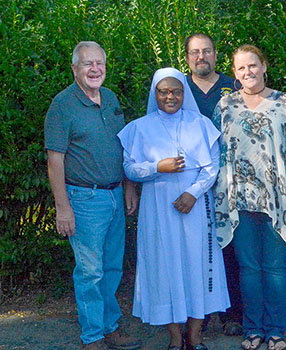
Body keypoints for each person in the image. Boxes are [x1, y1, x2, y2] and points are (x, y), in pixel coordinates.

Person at [117, 68, 230, 350]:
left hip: (194, 207)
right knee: (164, 266)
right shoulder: (139, 127)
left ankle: (194, 334)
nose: (170, 97)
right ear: (155, 94)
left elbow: (212, 166)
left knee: (198, 265)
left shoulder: (200, 123)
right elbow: (130, 168)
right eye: (163, 92)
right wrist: (158, 167)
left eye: (176, 91)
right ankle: (174, 336)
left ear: (184, 93)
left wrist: (192, 194)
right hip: (157, 208)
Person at [212, 44, 286, 350]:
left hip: (277, 203)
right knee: (249, 269)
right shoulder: (225, 106)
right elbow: (213, 155)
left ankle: (277, 330)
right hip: (237, 203)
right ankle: (252, 328)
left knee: (275, 268)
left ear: (264, 66)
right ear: (235, 73)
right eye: (241, 68)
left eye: (253, 66)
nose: (248, 72)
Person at [44, 41, 141, 350]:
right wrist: (63, 208)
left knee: (112, 269)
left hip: (114, 196)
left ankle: (110, 328)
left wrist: (128, 187)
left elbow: (123, 147)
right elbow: (54, 160)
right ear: (75, 69)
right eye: (88, 64)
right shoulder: (62, 105)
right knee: (90, 272)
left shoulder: (110, 98)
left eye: (99, 63)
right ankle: (92, 338)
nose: (95, 69)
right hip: (84, 200)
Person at [185, 33, 243, 336]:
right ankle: (200, 313)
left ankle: (233, 312)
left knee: (230, 244)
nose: (201, 57)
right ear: (187, 58)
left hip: (230, 178)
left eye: (206, 51)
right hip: (190, 181)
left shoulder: (234, 86)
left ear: (216, 54)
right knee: (196, 247)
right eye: (194, 52)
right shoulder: (179, 88)